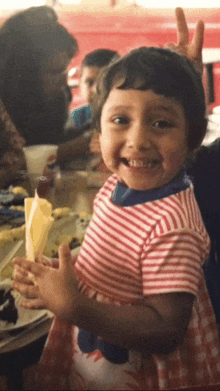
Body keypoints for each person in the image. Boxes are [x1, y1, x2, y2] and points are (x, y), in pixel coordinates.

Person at [12, 43, 220, 390]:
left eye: (162, 123)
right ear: (98, 130)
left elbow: (166, 329)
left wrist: (75, 306)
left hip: (142, 372)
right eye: (121, 120)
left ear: (193, 136)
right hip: (103, 354)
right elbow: (116, 256)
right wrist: (70, 270)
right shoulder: (114, 186)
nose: (137, 140)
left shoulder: (172, 225)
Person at [0, 6, 78, 147]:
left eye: (64, 71)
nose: (63, 81)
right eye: (54, 72)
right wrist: (81, 144)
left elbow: (51, 141)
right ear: (24, 74)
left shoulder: (56, 99)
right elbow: (21, 159)